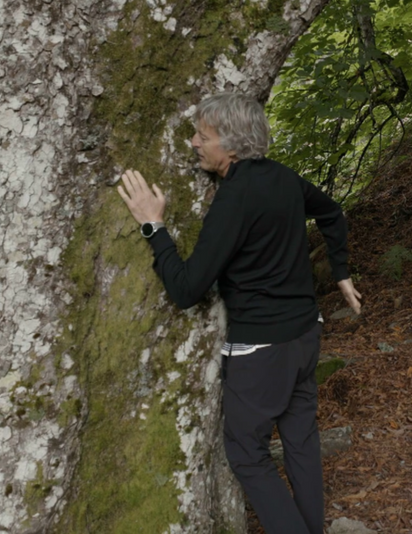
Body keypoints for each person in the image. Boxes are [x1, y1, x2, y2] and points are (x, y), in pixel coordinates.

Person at [117, 92, 362, 534]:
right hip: (306, 338)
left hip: (262, 351)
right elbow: (331, 212)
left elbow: (188, 288)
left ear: (231, 147)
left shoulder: (234, 198)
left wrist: (153, 226)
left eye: (202, 136)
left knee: (246, 454)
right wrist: (340, 271)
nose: (193, 142)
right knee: (301, 443)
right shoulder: (284, 179)